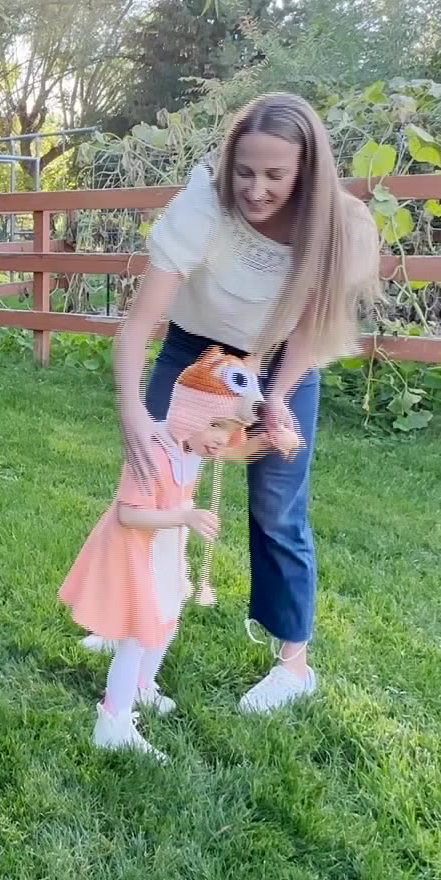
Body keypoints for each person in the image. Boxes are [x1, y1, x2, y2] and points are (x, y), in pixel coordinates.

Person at [103, 92, 381, 715]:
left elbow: (312, 328)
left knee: (278, 508)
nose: (256, 189)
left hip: (281, 357)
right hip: (193, 348)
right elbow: (137, 327)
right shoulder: (203, 207)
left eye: (275, 175)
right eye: (244, 171)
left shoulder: (342, 227)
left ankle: (293, 665)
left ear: (307, 171)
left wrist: (276, 396)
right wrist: (131, 408)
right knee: (154, 488)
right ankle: (130, 625)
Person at [61, 346, 271, 756]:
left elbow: (233, 450)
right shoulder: (152, 450)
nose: (222, 441)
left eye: (228, 430)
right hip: (134, 548)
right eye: (217, 427)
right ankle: (112, 722)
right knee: (138, 633)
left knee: (168, 615)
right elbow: (128, 516)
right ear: (192, 415)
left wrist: (267, 441)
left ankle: (142, 686)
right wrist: (184, 518)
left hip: (162, 550)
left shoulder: (192, 445)